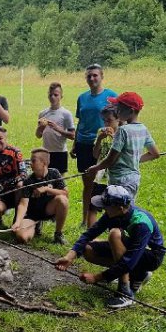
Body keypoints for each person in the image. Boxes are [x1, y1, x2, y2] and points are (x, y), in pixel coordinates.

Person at [55, 185, 166, 309]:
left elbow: (129, 260)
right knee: (88, 249)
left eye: (106, 206)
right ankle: (138, 274)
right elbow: (89, 234)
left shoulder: (141, 223)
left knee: (114, 234)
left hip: (151, 256)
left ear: (120, 208)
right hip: (131, 251)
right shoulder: (113, 213)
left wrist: (97, 277)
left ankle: (125, 293)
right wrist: (70, 256)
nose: (103, 209)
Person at [85, 92, 160, 199]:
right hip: (134, 179)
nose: (117, 112)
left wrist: (95, 168)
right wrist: (133, 160)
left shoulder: (122, 130)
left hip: (119, 180)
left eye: (119, 109)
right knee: (127, 206)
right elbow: (155, 153)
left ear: (131, 111)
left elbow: (110, 160)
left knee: (116, 207)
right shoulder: (143, 129)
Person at [71, 64, 117, 227]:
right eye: (89, 76)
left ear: (102, 76)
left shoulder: (111, 96)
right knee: (88, 184)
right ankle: (86, 219)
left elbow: (118, 120)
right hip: (84, 144)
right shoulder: (82, 98)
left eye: (95, 75)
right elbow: (80, 121)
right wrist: (75, 143)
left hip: (104, 146)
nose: (92, 78)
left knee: (106, 184)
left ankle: (110, 219)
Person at [12, 148, 69, 245]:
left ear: (44, 163)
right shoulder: (29, 181)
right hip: (32, 215)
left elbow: (65, 193)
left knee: (62, 199)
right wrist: (17, 222)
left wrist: (47, 189)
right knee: (22, 237)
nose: (30, 163)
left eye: (33, 161)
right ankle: (35, 225)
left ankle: (58, 234)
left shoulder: (54, 173)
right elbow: (23, 204)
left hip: (48, 209)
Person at [86, 104, 121, 227]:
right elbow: (95, 155)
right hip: (100, 176)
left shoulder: (122, 133)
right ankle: (91, 233)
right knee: (92, 205)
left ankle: (114, 231)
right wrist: (100, 139)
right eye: (104, 120)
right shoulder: (101, 131)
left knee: (114, 207)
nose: (106, 123)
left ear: (118, 119)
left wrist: (114, 138)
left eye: (109, 120)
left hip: (115, 177)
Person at [35, 82, 75, 174]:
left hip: (60, 152)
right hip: (46, 152)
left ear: (61, 96)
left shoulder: (66, 114)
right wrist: (41, 128)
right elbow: (38, 135)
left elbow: (72, 135)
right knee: (46, 179)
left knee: (59, 180)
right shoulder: (43, 114)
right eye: (50, 95)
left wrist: (57, 128)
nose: (53, 97)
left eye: (56, 95)